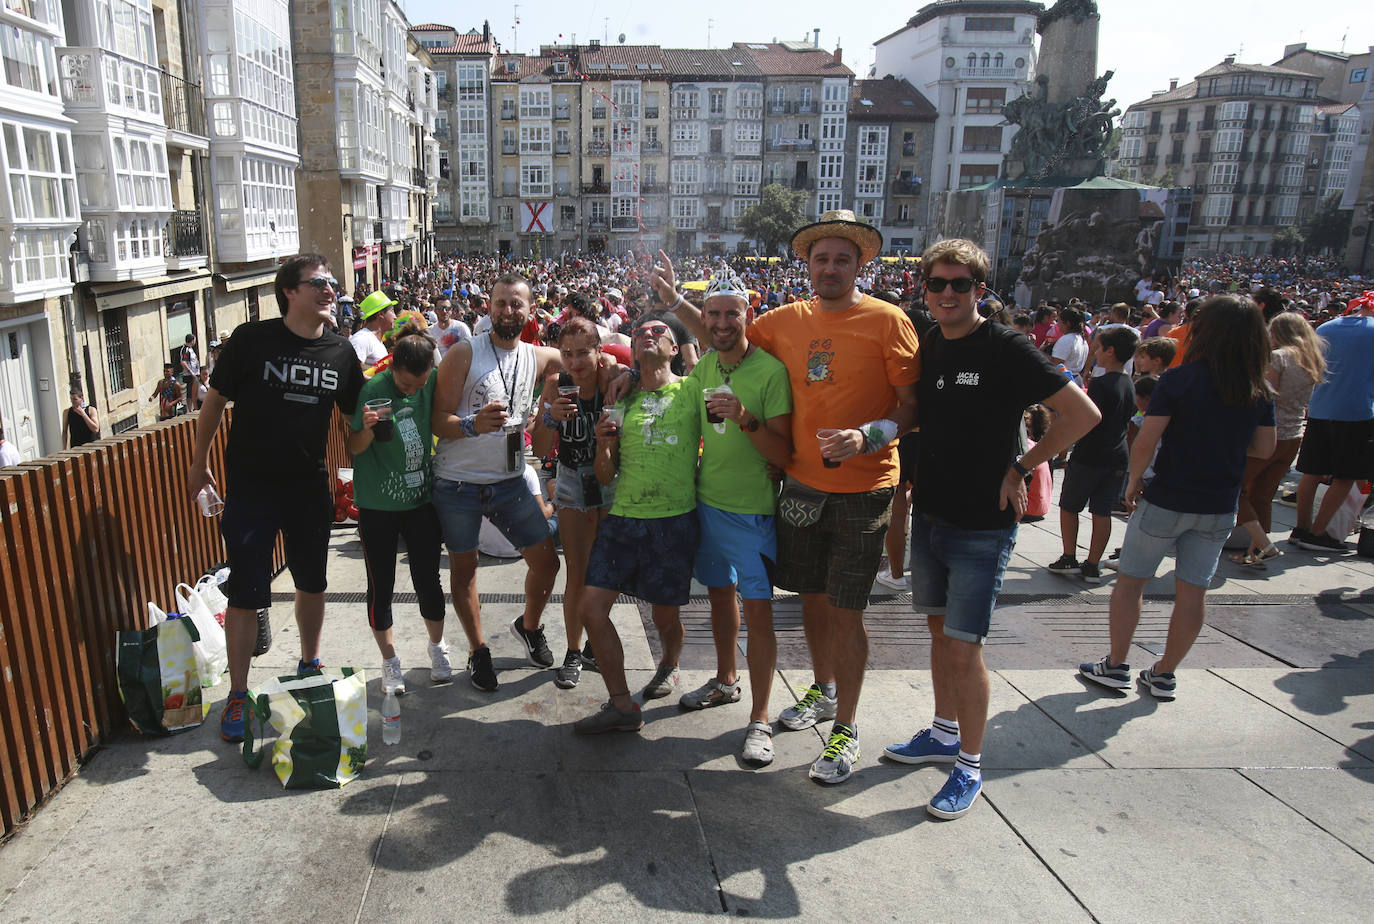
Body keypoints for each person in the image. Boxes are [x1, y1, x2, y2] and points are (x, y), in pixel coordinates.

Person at [662, 211, 921, 786]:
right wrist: (678, 301)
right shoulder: (784, 320)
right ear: (807, 265)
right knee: (810, 597)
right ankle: (823, 690)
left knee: (848, 611)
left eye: (842, 259)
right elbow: (723, 334)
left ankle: (846, 727)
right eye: (821, 258)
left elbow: (911, 407)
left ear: (861, 264)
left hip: (864, 485)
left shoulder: (889, 319)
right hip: (801, 487)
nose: (830, 268)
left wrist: (866, 435)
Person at [885, 238, 1100, 821]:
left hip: (983, 522)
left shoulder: (1004, 347)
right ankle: (942, 731)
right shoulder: (927, 343)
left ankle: (970, 765)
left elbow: (1082, 415)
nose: (948, 293)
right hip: (931, 512)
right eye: (938, 284)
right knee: (938, 636)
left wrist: (1025, 467)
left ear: (980, 289)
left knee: (964, 646)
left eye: (961, 284)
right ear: (924, 290)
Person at [188, 255, 364, 743]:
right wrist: (199, 462)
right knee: (247, 591)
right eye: (319, 283)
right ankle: (238, 694)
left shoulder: (341, 352)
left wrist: (377, 437)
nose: (330, 289)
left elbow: (356, 423)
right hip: (251, 487)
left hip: (308, 488)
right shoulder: (252, 339)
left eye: (332, 282)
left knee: (313, 581)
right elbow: (215, 400)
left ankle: (310, 662)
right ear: (289, 291)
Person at [1080, 295, 1276, 701]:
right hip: (1220, 503)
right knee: (1193, 591)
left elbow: (1146, 440)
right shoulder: (1258, 388)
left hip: (1168, 495)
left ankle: (1115, 665)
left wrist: (1133, 483)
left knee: (1130, 583)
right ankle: (1165, 672)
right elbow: (1265, 447)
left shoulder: (1179, 380)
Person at [651, 265, 794, 766]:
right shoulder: (707, 366)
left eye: (731, 313)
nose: (722, 322)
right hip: (707, 504)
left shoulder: (770, 372)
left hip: (751, 512)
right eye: (713, 314)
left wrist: (745, 418)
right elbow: (675, 394)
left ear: (747, 315)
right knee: (717, 597)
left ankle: (759, 720)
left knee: (758, 613)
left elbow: (784, 449)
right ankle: (726, 679)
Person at [430, 272, 564, 691]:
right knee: (465, 570)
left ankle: (529, 625)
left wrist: (616, 367)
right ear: (488, 307)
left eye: (516, 304)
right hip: (458, 483)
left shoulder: (539, 358)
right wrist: (472, 424)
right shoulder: (463, 354)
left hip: (509, 482)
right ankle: (478, 649)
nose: (508, 311)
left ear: (530, 311)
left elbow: (586, 355)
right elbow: (437, 419)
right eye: (501, 303)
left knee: (547, 562)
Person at [572, 314, 702, 734]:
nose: (648, 335)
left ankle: (669, 663)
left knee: (666, 619)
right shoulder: (620, 400)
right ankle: (622, 704)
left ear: (673, 346)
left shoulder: (691, 390)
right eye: (641, 332)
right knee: (590, 610)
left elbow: (712, 360)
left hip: (672, 522)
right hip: (623, 519)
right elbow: (605, 475)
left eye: (658, 331)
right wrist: (604, 444)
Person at [346, 322, 452, 695]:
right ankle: (390, 661)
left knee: (428, 578)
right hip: (377, 505)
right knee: (382, 585)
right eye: (407, 385)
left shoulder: (430, 383)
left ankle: (437, 648)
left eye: (419, 385)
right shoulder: (374, 390)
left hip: (420, 499)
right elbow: (354, 448)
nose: (413, 391)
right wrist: (370, 428)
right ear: (393, 369)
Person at [530, 317, 618, 689]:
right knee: (577, 574)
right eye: (567, 354)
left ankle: (595, 641)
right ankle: (573, 650)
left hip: (611, 482)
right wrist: (550, 417)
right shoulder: (555, 385)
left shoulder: (611, 381)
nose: (575, 362)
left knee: (608, 573)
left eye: (584, 352)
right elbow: (537, 447)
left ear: (599, 352)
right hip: (570, 482)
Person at [1047, 325, 1140, 582]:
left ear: (1110, 351)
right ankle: (1093, 563)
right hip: (1117, 454)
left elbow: (1086, 418)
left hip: (1090, 454)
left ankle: (1069, 556)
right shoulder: (1129, 384)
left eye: (1099, 348)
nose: (1096, 352)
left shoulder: (1101, 384)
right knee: (1102, 511)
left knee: (1069, 506)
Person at [1232, 312, 1325, 566]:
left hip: (1270, 433)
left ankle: (1263, 544)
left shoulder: (1278, 357)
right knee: (1263, 493)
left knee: (1232, 487)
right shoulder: (1310, 358)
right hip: (1293, 434)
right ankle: (1257, 550)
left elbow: (1266, 396)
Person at [1291, 293, 1374, 552]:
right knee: (1345, 475)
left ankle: (1301, 527)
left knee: (1311, 471)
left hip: (1321, 406)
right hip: (1357, 411)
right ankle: (1318, 534)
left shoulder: (1328, 326)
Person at [350, 291, 397, 372]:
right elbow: (351, 369)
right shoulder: (362, 339)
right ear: (381, 314)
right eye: (392, 311)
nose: (395, 317)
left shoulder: (378, 343)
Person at [180, 334, 201, 411]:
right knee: (190, 392)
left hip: (195, 373)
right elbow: (183, 362)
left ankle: (195, 407)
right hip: (190, 375)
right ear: (192, 341)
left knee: (195, 391)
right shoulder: (185, 349)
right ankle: (190, 409)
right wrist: (191, 372)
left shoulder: (190, 349)